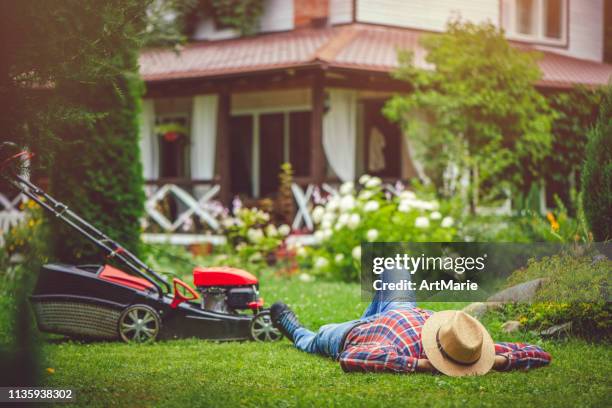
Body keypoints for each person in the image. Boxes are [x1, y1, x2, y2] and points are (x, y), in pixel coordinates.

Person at [270, 273, 551, 376]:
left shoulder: (401, 352)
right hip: (400, 310)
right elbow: (539, 353)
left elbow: (350, 357)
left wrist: (422, 365)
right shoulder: (467, 343)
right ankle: (374, 309)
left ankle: (294, 329)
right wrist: (498, 361)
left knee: (314, 337)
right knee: (396, 268)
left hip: (353, 334)